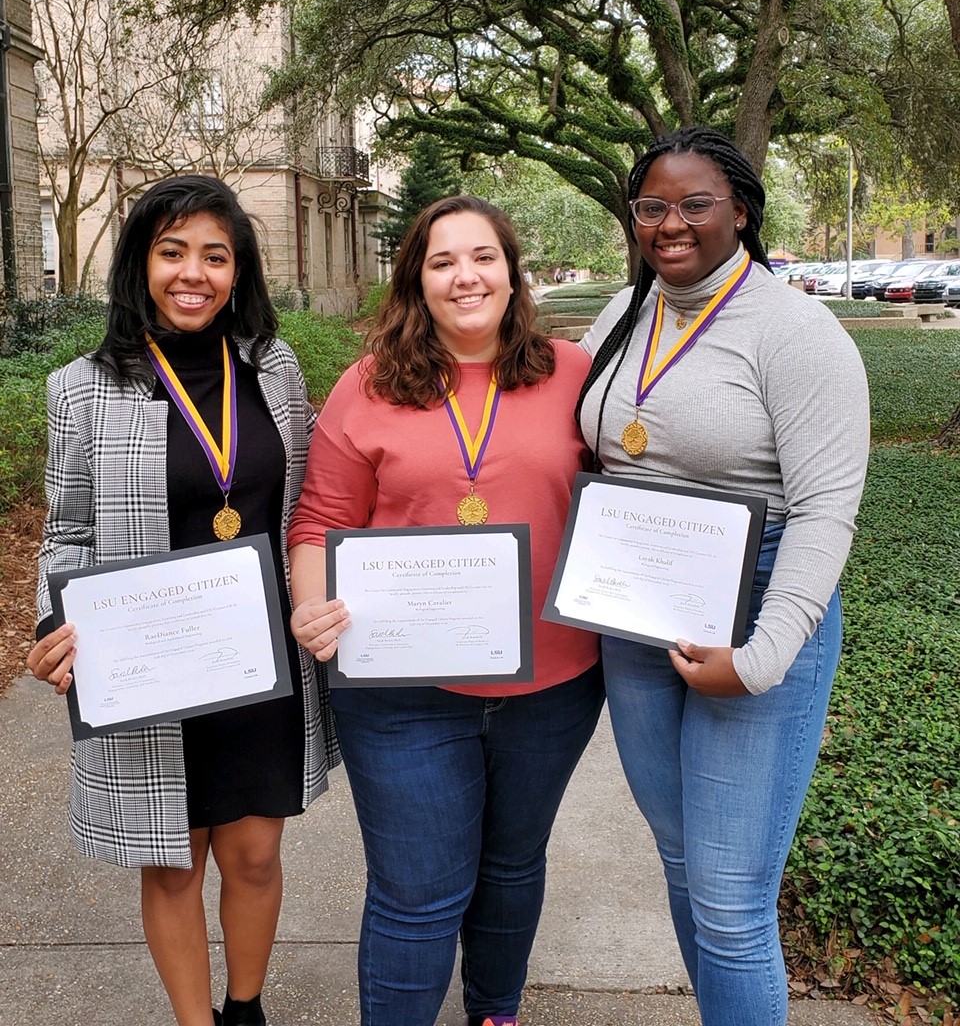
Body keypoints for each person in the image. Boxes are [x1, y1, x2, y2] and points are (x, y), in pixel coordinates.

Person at [26, 176, 339, 1026]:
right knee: (171, 864)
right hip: (148, 665)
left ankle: (245, 1009)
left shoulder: (273, 371)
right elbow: (67, 533)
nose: (192, 273)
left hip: (256, 660)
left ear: (238, 272)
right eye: (172, 252)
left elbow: (307, 507)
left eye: (214, 255)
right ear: (141, 264)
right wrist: (54, 619)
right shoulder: (80, 389)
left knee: (255, 853)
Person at [287, 194, 605, 1026]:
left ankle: (494, 1012)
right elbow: (320, 522)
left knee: (510, 866)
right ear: (416, 281)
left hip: (553, 685)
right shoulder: (368, 385)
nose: (465, 275)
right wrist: (311, 605)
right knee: (419, 893)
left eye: (483, 257)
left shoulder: (575, 373)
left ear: (511, 271)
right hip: (402, 692)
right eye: (441, 261)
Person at [577, 127, 870, 1026]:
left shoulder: (796, 334)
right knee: (681, 863)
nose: (671, 224)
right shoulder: (623, 314)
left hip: (754, 608)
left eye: (694, 203)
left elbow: (826, 512)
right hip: (638, 614)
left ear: (740, 210)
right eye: (652, 206)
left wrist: (764, 653)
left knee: (733, 902)